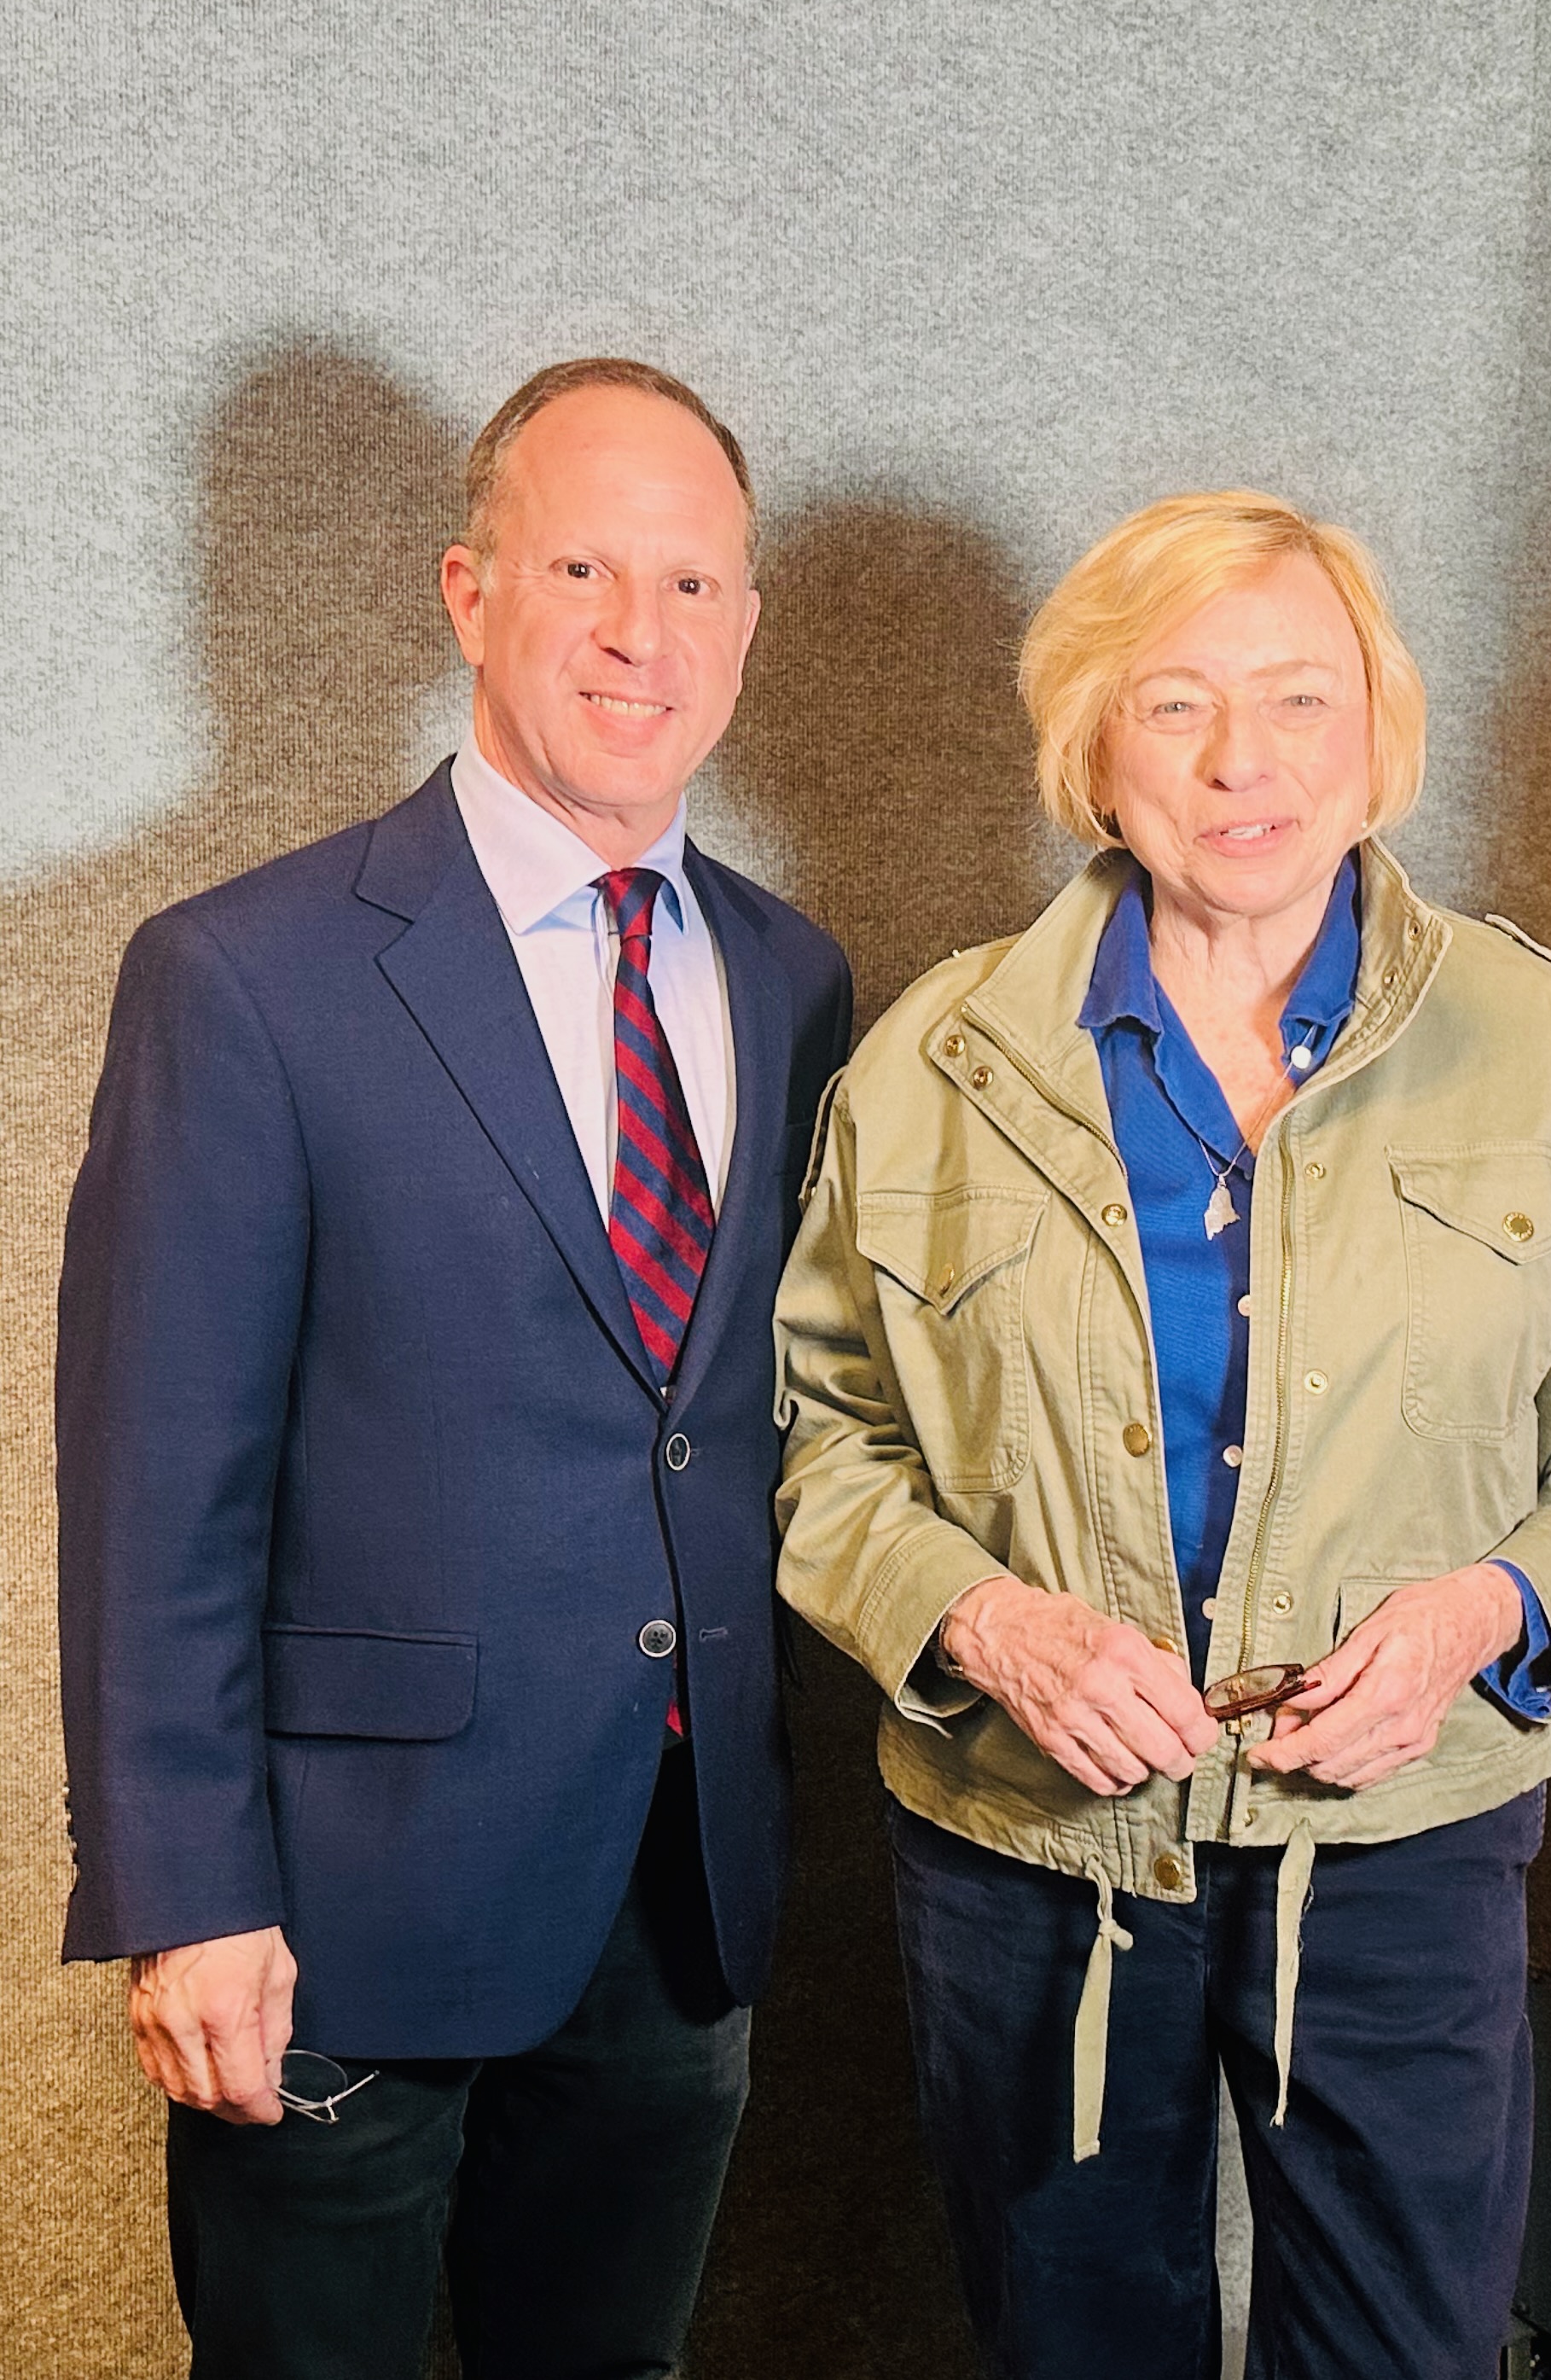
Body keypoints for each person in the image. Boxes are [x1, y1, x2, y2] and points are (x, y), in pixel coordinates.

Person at [774, 488, 1551, 2380]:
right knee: (1074, 2348)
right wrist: (992, 1628)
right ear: (1093, 752)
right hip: (1033, 1853)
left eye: (1301, 700)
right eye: (1178, 705)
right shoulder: (935, 1063)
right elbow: (816, 1441)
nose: (1246, 764)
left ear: (1377, 735)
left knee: (1405, 2351)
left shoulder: (1550, 1050)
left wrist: (1483, 1615)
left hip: (1404, 1848)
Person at [57, 358, 852, 2379]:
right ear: (467, 589)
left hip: (679, 1905)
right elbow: (157, 1488)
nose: (637, 632)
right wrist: (185, 1892)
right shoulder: (246, 975)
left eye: (693, 583)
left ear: (749, 629)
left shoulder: (791, 974)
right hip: (343, 1907)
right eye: (582, 564)